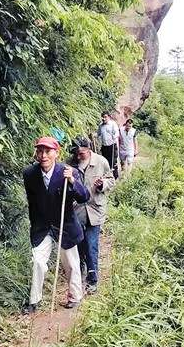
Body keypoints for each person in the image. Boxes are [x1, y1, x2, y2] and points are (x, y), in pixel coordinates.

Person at [22, 136, 90, 312]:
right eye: (40, 151)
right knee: (37, 262)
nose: (43, 155)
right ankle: (34, 301)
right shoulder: (29, 174)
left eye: (48, 151)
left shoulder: (68, 172)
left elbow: (84, 197)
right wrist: (34, 226)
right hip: (42, 226)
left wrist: (73, 181)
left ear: (56, 153)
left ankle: (75, 296)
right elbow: (32, 203)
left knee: (71, 264)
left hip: (65, 225)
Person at [69, 136, 115, 294]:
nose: (78, 156)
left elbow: (111, 180)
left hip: (95, 210)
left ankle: (92, 280)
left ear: (89, 150)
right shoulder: (70, 163)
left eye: (81, 153)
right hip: (76, 211)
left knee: (91, 246)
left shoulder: (101, 162)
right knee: (79, 245)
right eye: (76, 153)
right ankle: (79, 274)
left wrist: (103, 184)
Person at [97, 111, 119, 179]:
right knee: (105, 161)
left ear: (109, 117)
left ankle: (115, 177)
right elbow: (98, 134)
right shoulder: (101, 125)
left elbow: (117, 133)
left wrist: (114, 136)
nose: (103, 119)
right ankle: (107, 176)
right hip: (104, 146)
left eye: (105, 117)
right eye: (102, 117)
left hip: (112, 145)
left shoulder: (113, 124)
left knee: (113, 162)